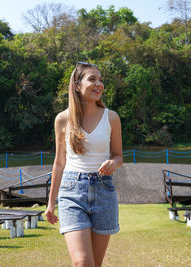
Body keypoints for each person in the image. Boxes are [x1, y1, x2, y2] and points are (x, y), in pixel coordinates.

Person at [45, 61, 123, 267]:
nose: (99, 84)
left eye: (100, 80)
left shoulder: (112, 118)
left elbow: (119, 155)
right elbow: (59, 163)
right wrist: (51, 203)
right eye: (92, 79)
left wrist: (113, 163)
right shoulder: (62, 119)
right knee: (82, 262)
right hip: (72, 192)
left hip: (103, 191)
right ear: (77, 86)